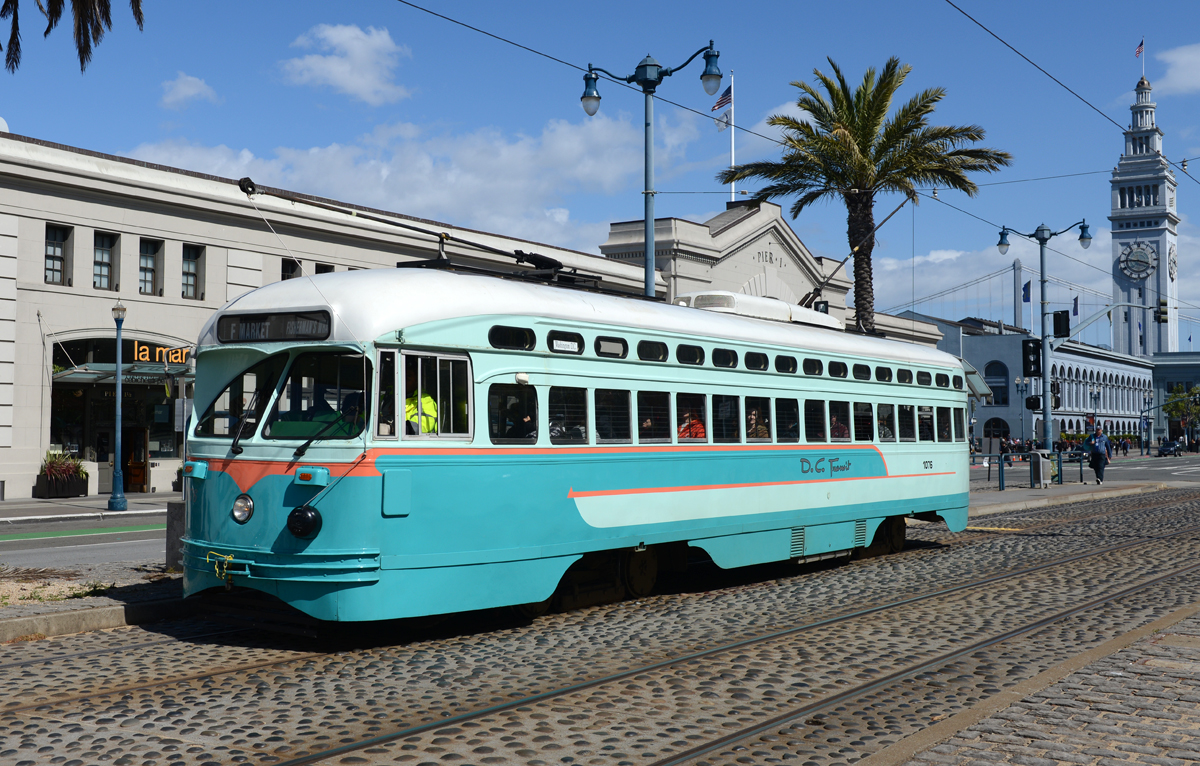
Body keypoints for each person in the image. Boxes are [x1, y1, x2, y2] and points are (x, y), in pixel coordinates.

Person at [405, 363, 437, 434]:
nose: (404, 380)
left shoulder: (426, 400)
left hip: (413, 442)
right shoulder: (388, 398)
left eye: (408, 377)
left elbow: (421, 426)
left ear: (417, 381)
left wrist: (395, 428)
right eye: (402, 376)